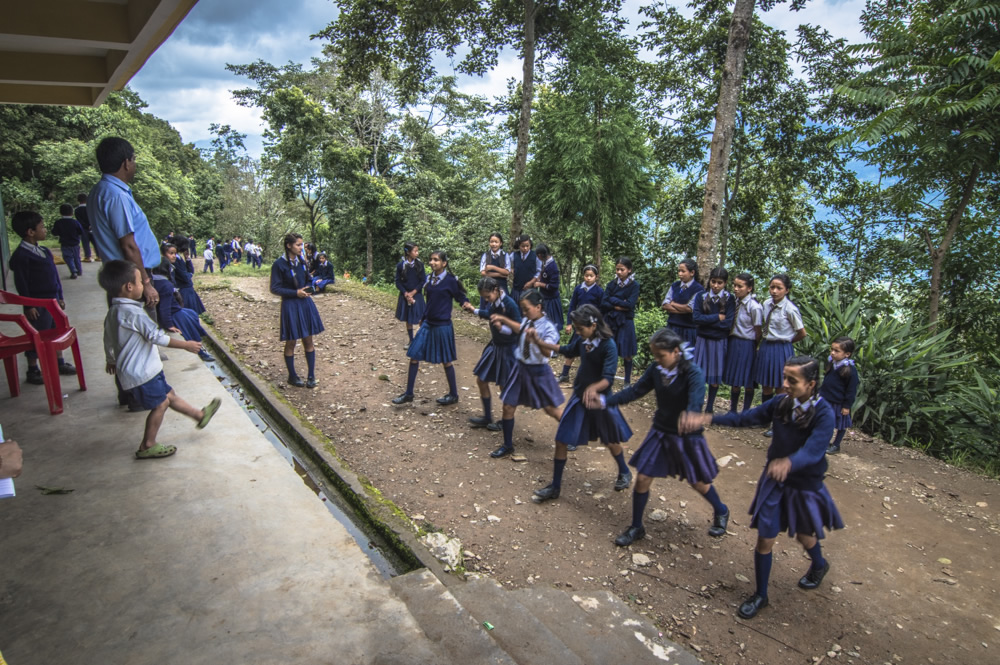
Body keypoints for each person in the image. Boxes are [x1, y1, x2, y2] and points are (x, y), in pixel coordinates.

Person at [688, 355, 842, 619]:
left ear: (811, 384)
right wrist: (709, 418)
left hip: (804, 484)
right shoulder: (781, 403)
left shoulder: (825, 413)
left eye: (791, 380)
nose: (784, 384)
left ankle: (819, 564)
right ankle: (761, 594)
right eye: (784, 377)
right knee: (765, 538)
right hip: (775, 482)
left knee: (806, 536)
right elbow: (747, 418)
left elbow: (814, 451)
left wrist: (789, 463)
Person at [597, 328, 730, 546]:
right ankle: (636, 527)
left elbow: (696, 400)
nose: (657, 360)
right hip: (661, 431)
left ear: (676, 351)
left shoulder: (693, 373)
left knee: (698, 482)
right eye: (655, 356)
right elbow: (636, 391)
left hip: (687, 436)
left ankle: (721, 510)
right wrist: (606, 401)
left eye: (661, 355)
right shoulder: (656, 369)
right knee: (642, 478)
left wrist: (691, 414)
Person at [100, 259, 221, 459]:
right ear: (129, 287)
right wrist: (186, 345)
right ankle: (147, 444)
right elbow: (157, 337)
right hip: (142, 373)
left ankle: (199, 415)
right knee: (162, 403)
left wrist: (110, 359)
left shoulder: (114, 311)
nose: (144, 286)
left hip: (143, 370)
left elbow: (108, 338)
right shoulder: (134, 314)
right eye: (141, 282)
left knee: (169, 394)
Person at [529, 304, 633, 501]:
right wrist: (541, 342)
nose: (577, 332)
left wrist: (594, 388)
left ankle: (624, 471)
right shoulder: (583, 339)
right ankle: (555, 486)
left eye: (580, 329)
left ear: (593, 325)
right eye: (576, 329)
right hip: (579, 397)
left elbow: (608, 378)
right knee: (561, 439)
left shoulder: (608, 345)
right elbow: (567, 350)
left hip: (600, 400)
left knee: (610, 439)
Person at [488, 290, 565, 458]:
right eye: (522, 309)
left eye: (526, 308)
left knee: (551, 409)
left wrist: (537, 341)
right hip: (520, 368)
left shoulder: (548, 328)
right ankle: (508, 445)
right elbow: (517, 328)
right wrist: (502, 321)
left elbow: (547, 353)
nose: (523, 312)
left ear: (538, 307)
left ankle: (571, 433)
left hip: (538, 371)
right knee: (508, 405)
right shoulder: (527, 320)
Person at [88, 137, 161, 310]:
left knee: (124, 330)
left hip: (120, 277)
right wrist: (145, 283)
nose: (134, 164)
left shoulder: (100, 191)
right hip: (130, 281)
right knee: (141, 332)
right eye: (133, 159)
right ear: (126, 163)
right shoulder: (116, 196)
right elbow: (128, 245)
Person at [8, 211, 78, 385]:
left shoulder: (44, 251)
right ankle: (33, 369)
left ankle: (59, 362)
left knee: (56, 331)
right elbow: (22, 284)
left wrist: (59, 296)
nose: (45, 230)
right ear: (30, 232)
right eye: (42, 227)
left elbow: (54, 275)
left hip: (52, 300)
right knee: (38, 335)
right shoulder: (21, 256)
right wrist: (28, 306)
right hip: (37, 304)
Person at [393, 250, 469, 405]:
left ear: (444, 263)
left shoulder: (450, 280)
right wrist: (423, 317)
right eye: (431, 260)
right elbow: (430, 301)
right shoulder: (429, 279)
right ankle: (409, 394)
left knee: (446, 361)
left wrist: (466, 303)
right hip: (428, 323)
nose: (432, 262)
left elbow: (460, 296)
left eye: (436, 260)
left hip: (443, 325)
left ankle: (453, 394)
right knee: (414, 355)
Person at [270, 233, 325, 388]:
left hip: (304, 303)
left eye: (302, 245)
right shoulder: (279, 264)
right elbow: (274, 288)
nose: (301, 248)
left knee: (308, 339)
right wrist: (295, 293)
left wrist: (309, 288)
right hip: (290, 305)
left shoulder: (302, 261)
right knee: (291, 341)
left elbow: (308, 278)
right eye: (298, 245)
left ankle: (311, 375)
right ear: (289, 246)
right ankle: (292, 376)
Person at [467, 277, 520, 434]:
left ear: (496, 290)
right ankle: (487, 417)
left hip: (508, 349)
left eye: (487, 297)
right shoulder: (494, 303)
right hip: (495, 347)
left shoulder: (510, 305)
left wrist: (503, 328)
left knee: (505, 387)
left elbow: (519, 328)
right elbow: (489, 314)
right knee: (481, 380)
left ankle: (506, 420)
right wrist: (474, 310)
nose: (486, 300)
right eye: (484, 297)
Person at [756, 275, 807, 434]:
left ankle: (777, 423)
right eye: (772, 287)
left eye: (779, 288)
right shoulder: (766, 304)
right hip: (767, 346)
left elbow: (802, 333)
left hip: (782, 348)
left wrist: (787, 342)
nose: (775, 291)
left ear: (787, 290)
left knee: (780, 387)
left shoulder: (790, 309)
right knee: (766, 385)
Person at [691, 267, 736, 413]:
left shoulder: (729, 299)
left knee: (715, 376)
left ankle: (709, 407)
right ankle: (697, 405)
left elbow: (728, 323)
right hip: (702, 339)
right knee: (699, 375)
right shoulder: (701, 296)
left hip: (719, 341)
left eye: (720, 283)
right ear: (709, 281)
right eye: (713, 282)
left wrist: (707, 322)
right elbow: (696, 319)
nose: (716, 286)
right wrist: (717, 317)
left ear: (725, 283)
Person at [723, 273, 763, 413]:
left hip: (747, 343)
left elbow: (758, 330)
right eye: (734, 285)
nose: (736, 289)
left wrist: (754, 346)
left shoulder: (754, 307)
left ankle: (745, 411)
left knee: (747, 379)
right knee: (735, 379)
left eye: (740, 286)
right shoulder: (735, 303)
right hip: (734, 341)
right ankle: (733, 409)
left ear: (749, 288)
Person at [558, 264, 603, 384]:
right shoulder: (578, 289)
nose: (588, 278)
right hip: (579, 325)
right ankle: (564, 374)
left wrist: (598, 325)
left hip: (592, 326)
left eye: (591, 276)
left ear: (596, 277)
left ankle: (589, 378)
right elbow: (572, 306)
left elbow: (601, 310)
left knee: (590, 352)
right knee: (572, 350)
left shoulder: (599, 291)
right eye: (586, 275)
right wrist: (569, 323)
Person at [600, 257, 640, 385]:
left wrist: (613, 300)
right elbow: (603, 303)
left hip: (626, 321)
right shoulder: (611, 284)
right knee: (608, 350)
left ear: (629, 270)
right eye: (617, 269)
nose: (618, 272)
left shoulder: (634, 286)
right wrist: (619, 304)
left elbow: (630, 304)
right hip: (610, 320)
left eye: (622, 269)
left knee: (627, 352)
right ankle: (606, 378)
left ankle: (627, 381)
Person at [820, 337, 859, 455]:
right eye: (832, 349)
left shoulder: (850, 370)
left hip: (839, 402)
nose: (832, 353)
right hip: (827, 399)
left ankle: (836, 444)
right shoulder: (832, 363)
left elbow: (851, 390)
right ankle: (825, 442)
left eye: (836, 351)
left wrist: (846, 406)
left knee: (840, 424)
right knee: (826, 422)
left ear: (847, 354)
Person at [661, 259, 704, 347]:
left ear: (692, 272)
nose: (680, 274)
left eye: (683, 271)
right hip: (672, 327)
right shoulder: (675, 286)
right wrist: (683, 309)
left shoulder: (698, 289)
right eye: (679, 271)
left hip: (688, 329)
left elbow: (690, 308)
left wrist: (673, 304)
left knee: (685, 356)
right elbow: (665, 304)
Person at [526, 243, 564, 330]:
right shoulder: (546, 263)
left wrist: (540, 284)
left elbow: (553, 286)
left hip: (551, 300)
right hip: (544, 298)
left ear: (540, 255)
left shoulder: (553, 267)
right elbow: (543, 274)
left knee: (552, 325)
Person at [394, 242, 426, 344]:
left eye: (417, 251)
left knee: (422, 317)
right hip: (405, 296)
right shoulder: (401, 266)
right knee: (408, 318)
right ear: (408, 252)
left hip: (417, 294)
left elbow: (423, 280)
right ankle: (411, 340)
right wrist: (406, 293)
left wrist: (413, 293)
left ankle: (422, 338)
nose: (417, 253)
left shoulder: (420, 265)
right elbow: (398, 282)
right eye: (415, 251)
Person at [170, 238, 205, 314]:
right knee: (189, 313)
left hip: (188, 288)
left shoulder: (179, 258)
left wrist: (188, 259)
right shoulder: (175, 260)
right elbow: (185, 276)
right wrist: (189, 274)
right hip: (184, 289)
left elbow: (191, 271)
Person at [51, 203, 85, 279]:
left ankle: (73, 271)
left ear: (60, 212)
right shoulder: (75, 222)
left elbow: (54, 232)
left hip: (65, 243)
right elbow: (81, 231)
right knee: (77, 257)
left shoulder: (58, 222)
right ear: (72, 212)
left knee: (68, 257)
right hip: (75, 243)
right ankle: (79, 270)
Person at [509, 235, 541, 304]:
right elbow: (505, 263)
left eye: (527, 246)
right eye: (522, 246)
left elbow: (539, 271)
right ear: (519, 245)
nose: (525, 248)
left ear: (530, 245)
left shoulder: (535, 256)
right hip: (517, 289)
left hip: (530, 290)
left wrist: (531, 282)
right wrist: (511, 269)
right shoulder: (513, 255)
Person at [479, 232, 511, 298]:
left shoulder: (505, 255)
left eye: (496, 242)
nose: (494, 244)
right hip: (487, 286)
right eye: (492, 242)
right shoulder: (485, 255)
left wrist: (492, 267)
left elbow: (507, 272)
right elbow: (483, 273)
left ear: (500, 243)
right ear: (489, 243)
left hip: (501, 286)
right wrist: (499, 274)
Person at [74, 193, 98, 262]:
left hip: (83, 229)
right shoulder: (91, 208)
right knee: (95, 242)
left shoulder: (77, 210)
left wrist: (86, 226)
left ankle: (88, 256)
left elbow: (79, 220)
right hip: (92, 227)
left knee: (85, 243)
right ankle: (99, 255)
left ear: (78, 200)